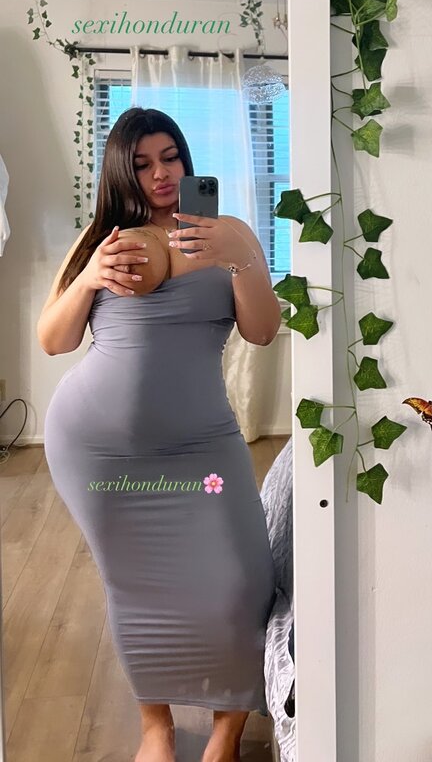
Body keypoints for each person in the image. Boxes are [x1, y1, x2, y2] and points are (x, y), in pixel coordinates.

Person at [37, 107, 282, 762]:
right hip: (100, 451)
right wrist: (90, 277)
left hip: (202, 449)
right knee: (135, 583)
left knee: (238, 581)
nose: (161, 174)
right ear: (122, 171)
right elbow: (53, 340)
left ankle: (227, 731)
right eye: (143, 163)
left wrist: (240, 261)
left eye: (170, 157)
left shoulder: (228, 233)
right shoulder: (102, 240)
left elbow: (262, 331)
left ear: (185, 158)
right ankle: (157, 727)